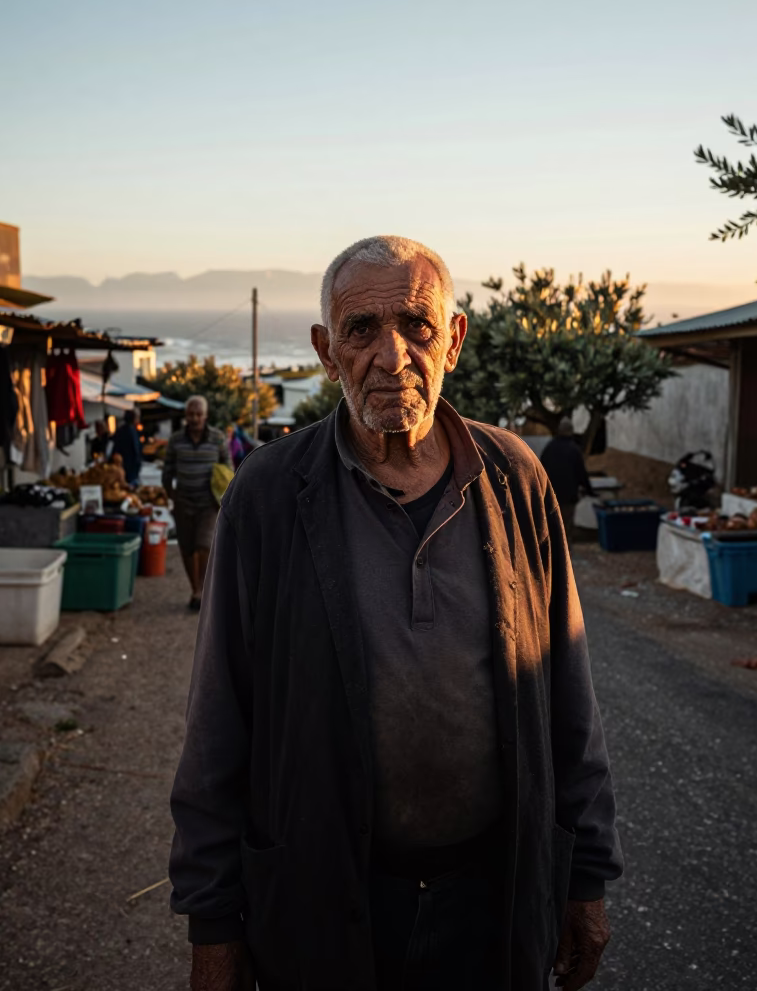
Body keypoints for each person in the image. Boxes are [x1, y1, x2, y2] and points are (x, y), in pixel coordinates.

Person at [169, 236, 622, 991]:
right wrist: (213, 924)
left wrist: (587, 878)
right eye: (360, 331)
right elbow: (220, 720)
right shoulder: (270, 495)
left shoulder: (515, 477)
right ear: (325, 350)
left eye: (416, 325)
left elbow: (568, 695)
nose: (392, 355)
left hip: (494, 895)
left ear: (454, 338)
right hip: (325, 897)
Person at [162, 396, 232, 611]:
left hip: (208, 502)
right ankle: (195, 589)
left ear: (205, 415)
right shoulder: (175, 440)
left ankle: (201, 589)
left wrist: (225, 494)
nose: (195, 418)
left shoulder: (217, 438)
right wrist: (171, 494)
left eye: (198, 414)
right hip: (183, 500)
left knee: (204, 545)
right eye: (191, 414)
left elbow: (227, 466)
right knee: (187, 547)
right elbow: (168, 470)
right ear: (186, 416)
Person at [540, 417, 594, 541]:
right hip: (569, 496)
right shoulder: (574, 450)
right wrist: (590, 491)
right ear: (571, 431)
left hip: (551, 495)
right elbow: (581, 474)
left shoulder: (549, 448)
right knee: (566, 527)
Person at [108, 409, 142, 487]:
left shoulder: (120, 430)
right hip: (130, 469)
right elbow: (136, 451)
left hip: (121, 467)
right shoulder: (132, 431)